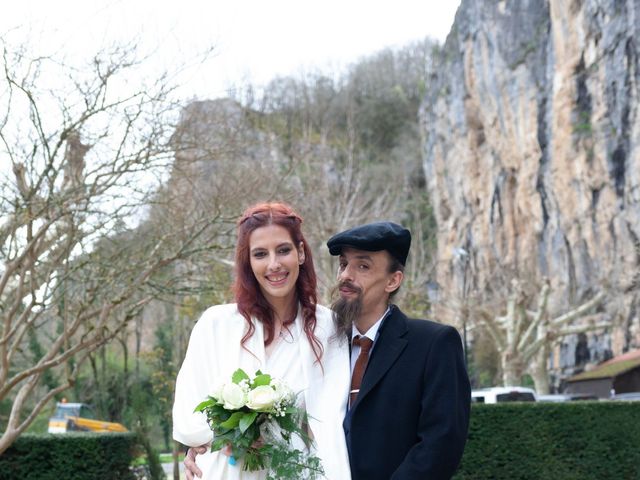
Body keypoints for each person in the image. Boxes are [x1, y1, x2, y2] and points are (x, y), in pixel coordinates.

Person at [173, 202, 351, 480]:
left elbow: (333, 420)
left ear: (301, 253)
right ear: (248, 262)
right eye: (260, 254)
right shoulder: (216, 324)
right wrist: (233, 434)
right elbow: (189, 414)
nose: (274, 264)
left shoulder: (329, 328)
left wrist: (274, 436)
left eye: (283, 250)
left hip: (298, 471)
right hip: (226, 471)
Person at [327, 221, 471, 480]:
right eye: (343, 264)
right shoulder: (323, 343)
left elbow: (441, 443)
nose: (346, 275)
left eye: (363, 266)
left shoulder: (434, 343)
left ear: (393, 280)